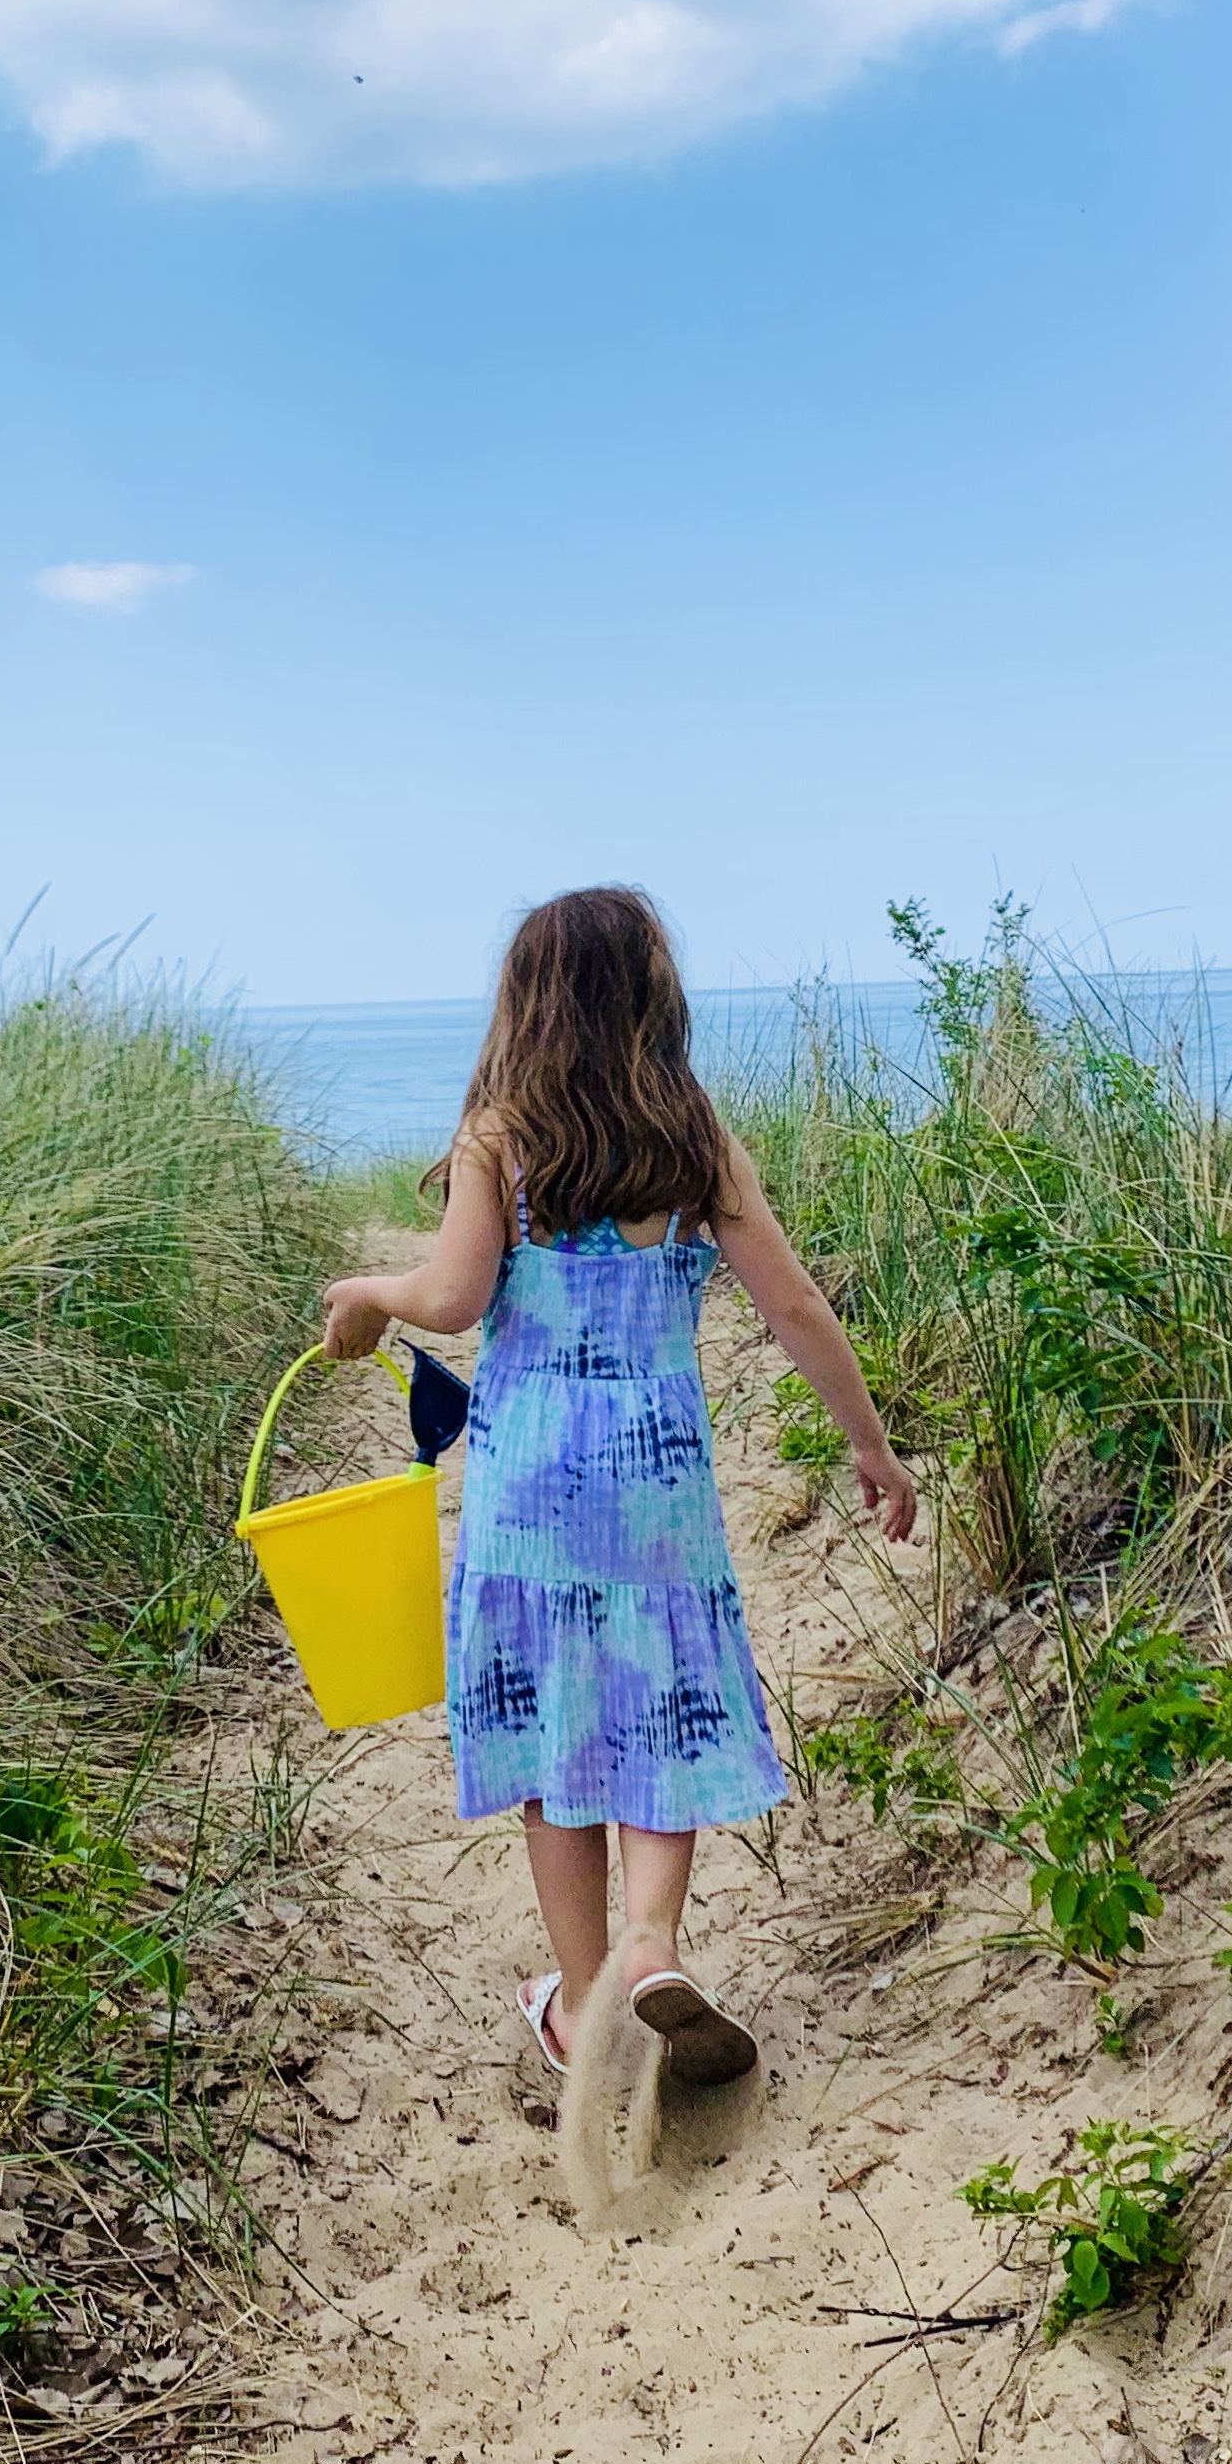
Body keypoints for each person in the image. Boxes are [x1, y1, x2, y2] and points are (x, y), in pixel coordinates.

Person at [321, 886, 917, 2089]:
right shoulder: (692, 1139)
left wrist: (369, 1294)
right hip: (655, 1474)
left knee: (555, 1735)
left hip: (533, 1472)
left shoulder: (501, 1134)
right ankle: (654, 1944)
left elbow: (453, 1299)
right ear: (652, 998)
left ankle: (582, 2002)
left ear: (528, 1002)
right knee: (660, 1700)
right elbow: (792, 1304)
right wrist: (870, 1443)